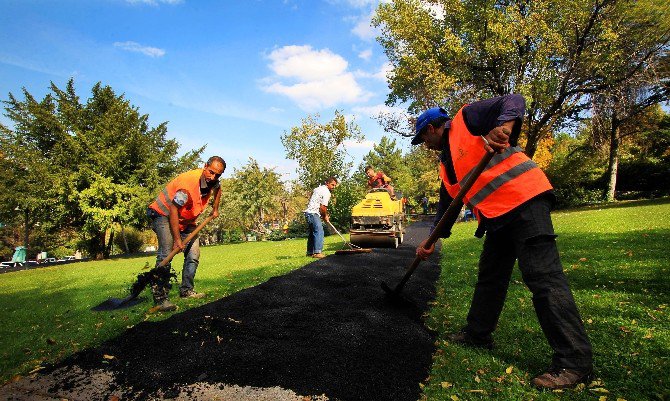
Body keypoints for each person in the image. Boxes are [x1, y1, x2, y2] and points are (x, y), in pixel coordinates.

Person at [411, 94, 593, 390]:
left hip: (525, 201)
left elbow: (514, 100)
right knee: (491, 278)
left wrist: (504, 127)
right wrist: (431, 241)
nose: (425, 147)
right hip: (498, 217)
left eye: (423, 139)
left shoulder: (467, 119)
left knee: (544, 279)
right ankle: (478, 334)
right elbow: (449, 207)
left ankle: (575, 362)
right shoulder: (447, 165)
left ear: (432, 128)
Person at [147, 156, 225, 312]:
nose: (213, 177)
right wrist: (177, 239)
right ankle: (160, 298)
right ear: (205, 166)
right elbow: (173, 209)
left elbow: (218, 189)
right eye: (211, 172)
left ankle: (186, 290)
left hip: (185, 219)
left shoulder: (214, 181)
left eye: (218, 174)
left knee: (193, 254)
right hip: (162, 214)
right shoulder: (187, 186)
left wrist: (215, 209)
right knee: (167, 252)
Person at [304, 177, 338, 259]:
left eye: (335, 185)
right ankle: (317, 252)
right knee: (319, 231)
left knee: (313, 233)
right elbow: (323, 207)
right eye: (332, 185)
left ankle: (309, 252)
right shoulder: (326, 192)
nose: (333, 187)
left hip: (308, 213)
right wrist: (325, 216)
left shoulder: (318, 188)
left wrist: (324, 215)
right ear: (327, 183)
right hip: (313, 213)